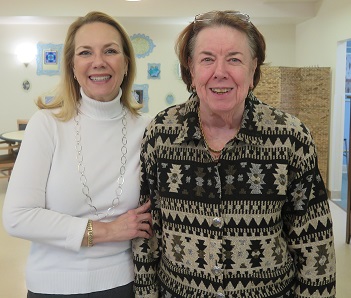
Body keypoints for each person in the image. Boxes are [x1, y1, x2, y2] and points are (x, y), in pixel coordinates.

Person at [132, 10, 336, 298]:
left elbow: (314, 243)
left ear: (254, 68)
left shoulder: (291, 137)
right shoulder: (161, 134)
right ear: (190, 69)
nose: (220, 71)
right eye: (207, 59)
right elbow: (147, 232)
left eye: (234, 59)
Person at [3, 11, 152, 297]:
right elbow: (17, 216)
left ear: (126, 63)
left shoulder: (146, 129)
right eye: (85, 52)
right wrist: (108, 231)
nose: (99, 62)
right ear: (72, 65)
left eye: (110, 50)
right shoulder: (47, 124)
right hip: (53, 284)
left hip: (124, 283)